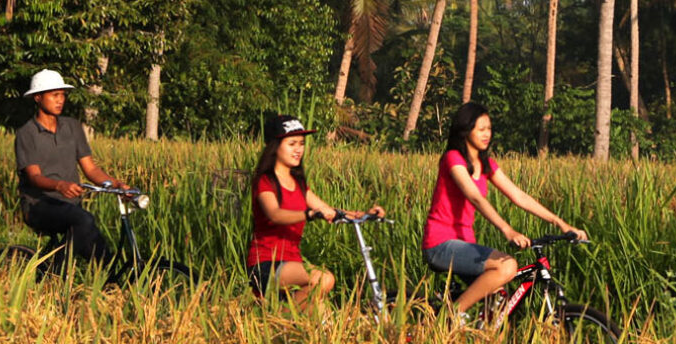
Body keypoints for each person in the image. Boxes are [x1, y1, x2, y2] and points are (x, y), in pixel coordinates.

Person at [424, 102, 587, 321]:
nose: (487, 134)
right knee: (508, 265)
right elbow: (475, 197)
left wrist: (561, 223)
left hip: (466, 245)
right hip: (440, 244)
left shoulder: (486, 164)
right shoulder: (453, 158)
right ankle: (448, 317)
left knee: (499, 306)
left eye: (489, 129)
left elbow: (519, 196)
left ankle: (481, 339)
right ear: (465, 130)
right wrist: (507, 230)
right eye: (481, 129)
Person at [247, 113, 384, 309]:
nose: (298, 149)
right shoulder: (265, 181)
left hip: (293, 263)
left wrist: (363, 214)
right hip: (265, 264)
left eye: (301, 144)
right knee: (324, 278)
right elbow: (275, 214)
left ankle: (282, 318)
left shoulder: (299, 184)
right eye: (292, 144)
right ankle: (279, 318)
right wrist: (308, 214)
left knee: (320, 312)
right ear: (275, 147)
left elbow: (328, 210)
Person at [12, 69, 129, 263]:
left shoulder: (73, 127)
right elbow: (34, 177)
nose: (60, 100)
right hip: (38, 206)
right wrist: (59, 185)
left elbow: (91, 169)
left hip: (71, 205)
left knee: (102, 256)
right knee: (84, 219)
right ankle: (57, 274)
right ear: (38, 98)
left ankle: (110, 278)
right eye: (54, 95)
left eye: (63, 95)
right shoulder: (27, 133)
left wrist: (117, 185)